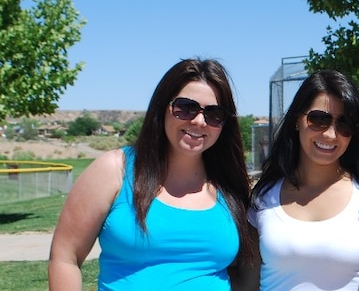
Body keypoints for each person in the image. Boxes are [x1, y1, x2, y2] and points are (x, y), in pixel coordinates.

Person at [48, 58, 256, 290]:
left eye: (214, 114)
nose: (199, 121)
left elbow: (244, 273)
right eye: (185, 108)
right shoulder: (115, 169)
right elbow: (65, 256)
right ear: (162, 107)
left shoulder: (230, 186)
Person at [248, 70, 359, 290]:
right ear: (297, 120)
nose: (330, 134)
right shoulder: (263, 196)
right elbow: (247, 277)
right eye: (318, 119)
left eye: (344, 124)